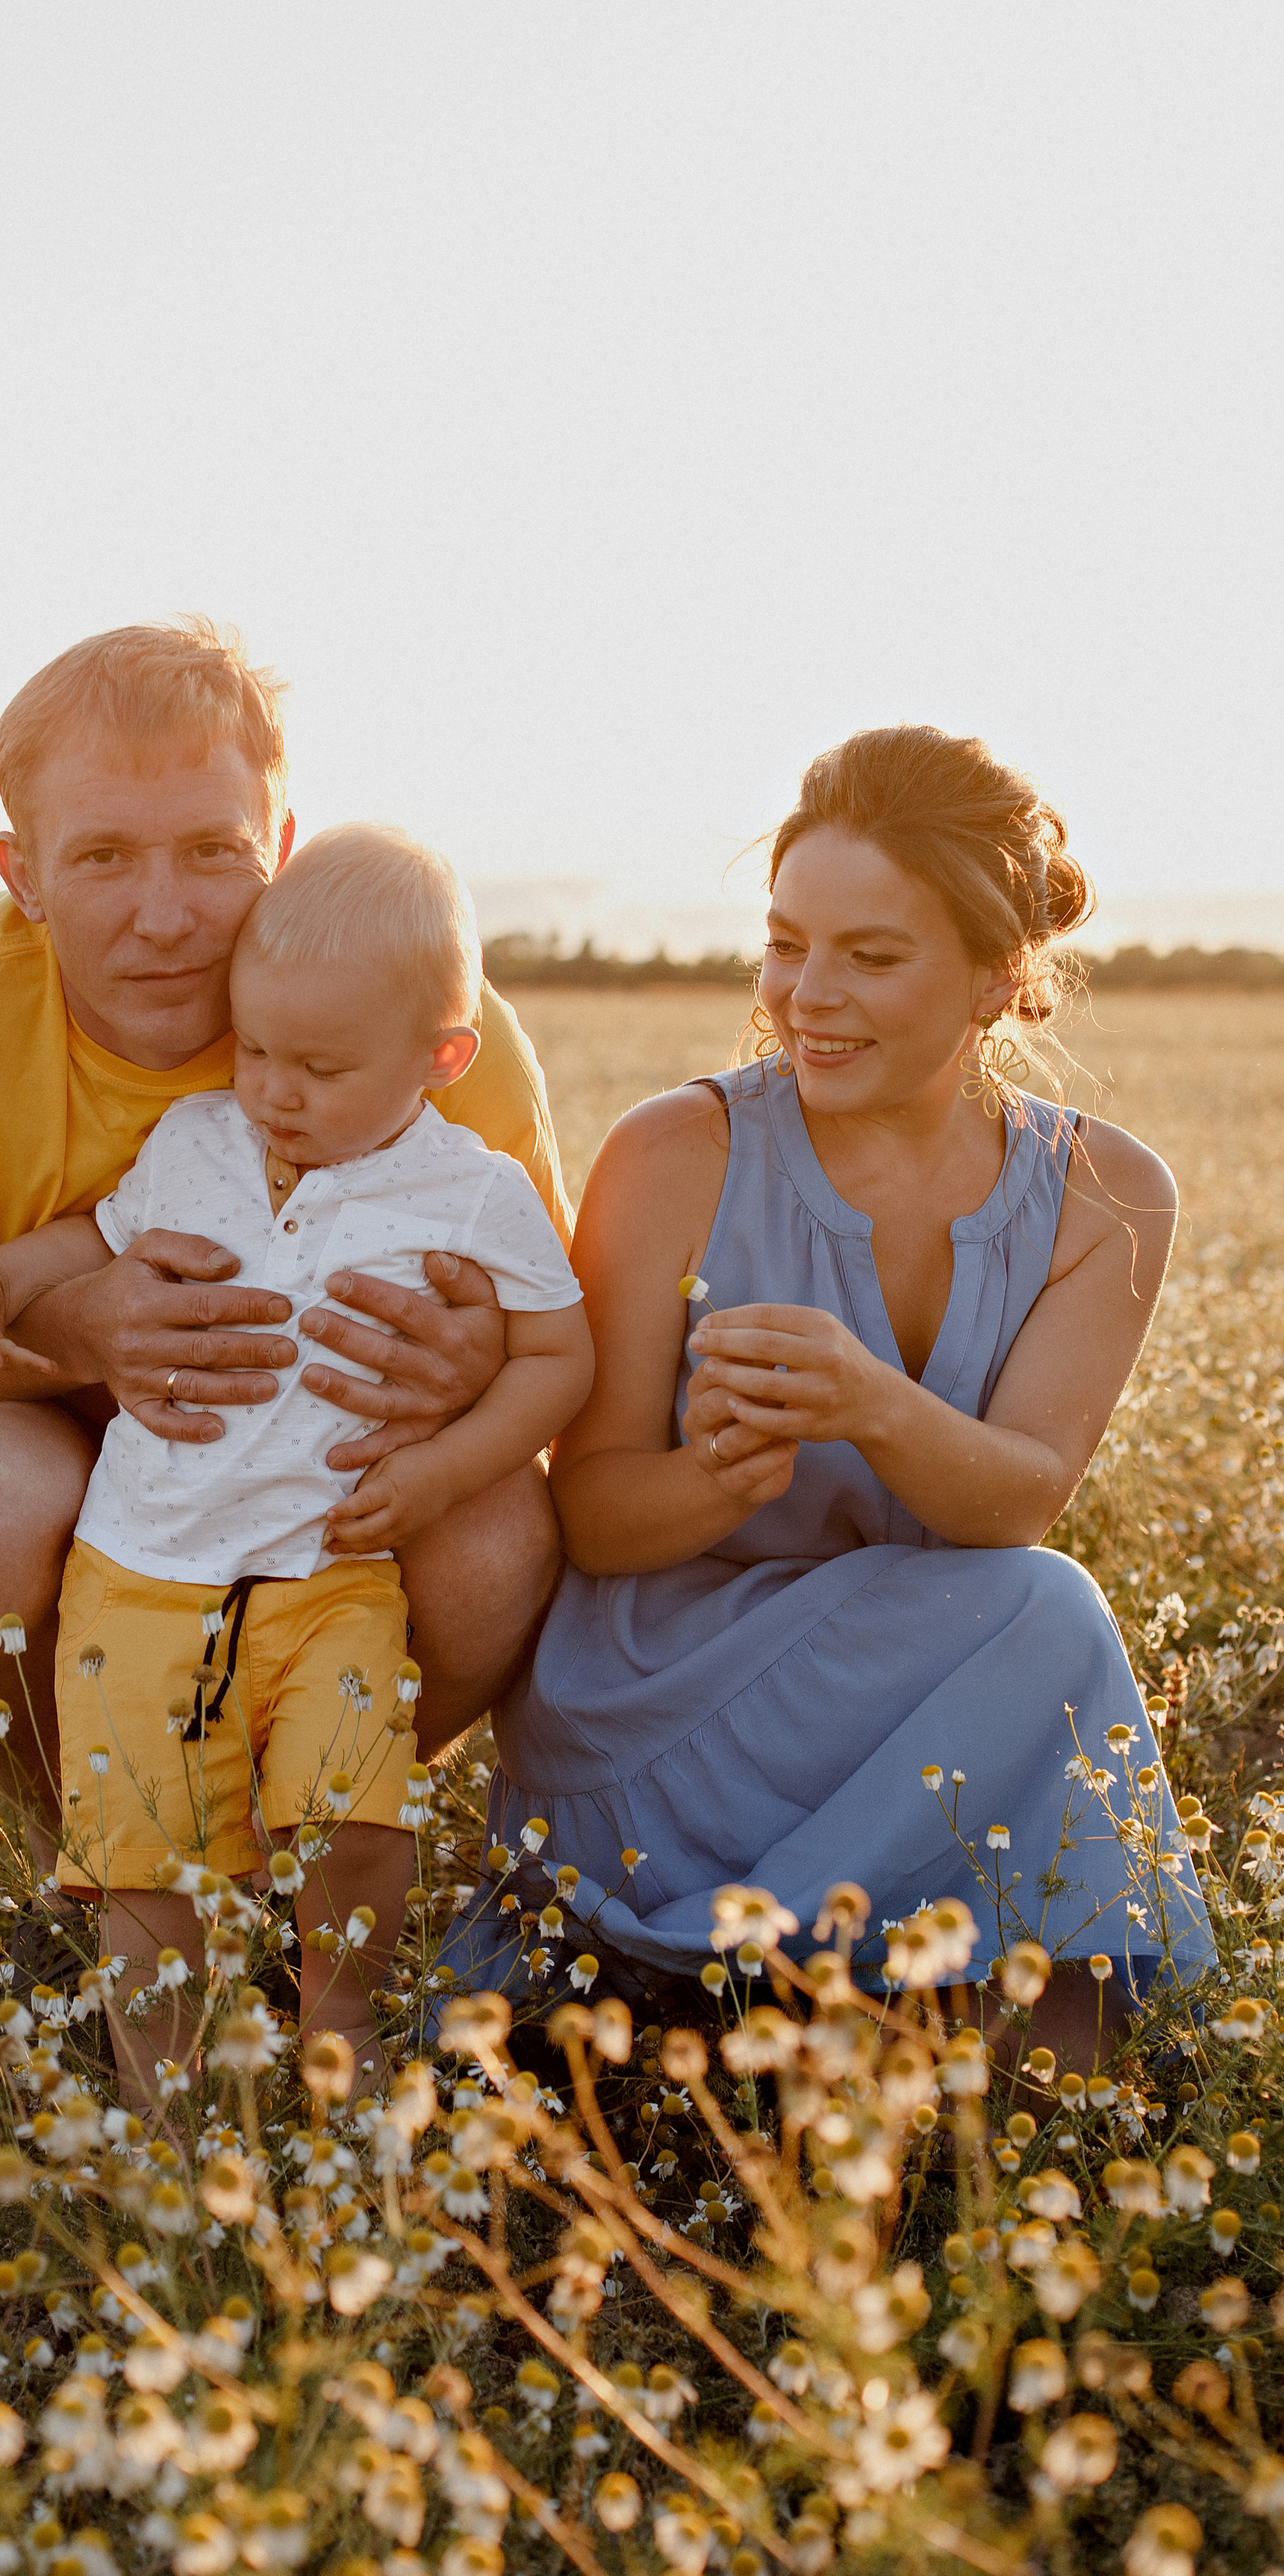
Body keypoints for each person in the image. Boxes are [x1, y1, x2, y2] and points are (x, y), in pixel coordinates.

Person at [457, 725, 1211, 2068]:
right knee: (1050, 1623)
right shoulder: (676, 1152)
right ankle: (961, 2042)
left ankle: (1027, 2104)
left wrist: (871, 1404)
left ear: (998, 974)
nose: (808, 995)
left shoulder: (1109, 1198)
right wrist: (715, 1481)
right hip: (659, 1709)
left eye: (871, 956)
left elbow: (1018, 1506)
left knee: (1039, 1612)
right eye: (786, 943)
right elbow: (591, 1520)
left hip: (918, 1705)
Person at [0, 620, 571, 1829]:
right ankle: (89, 1849)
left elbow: (556, 1344)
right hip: (61, 1447)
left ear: (281, 845)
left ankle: (310, 1841)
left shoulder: (423, 1016)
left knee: (500, 1532)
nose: (165, 917)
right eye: (104, 857)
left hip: (338, 1465)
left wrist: (474, 1363)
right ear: (23, 874)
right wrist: (79, 1335)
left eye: (214, 851)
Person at [0, 824, 592, 2103]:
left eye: (322, 1067)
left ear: (443, 1059)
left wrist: (450, 1470)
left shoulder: (473, 1192)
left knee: (354, 1822)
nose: (275, 1092)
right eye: (253, 1050)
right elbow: (99, 1238)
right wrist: (4, 1277)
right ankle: (165, 2112)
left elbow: (558, 1358)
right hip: (142, 1567)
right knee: (148, 1871)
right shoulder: (197, 1140)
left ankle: (334, 2035)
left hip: (335, 1569)